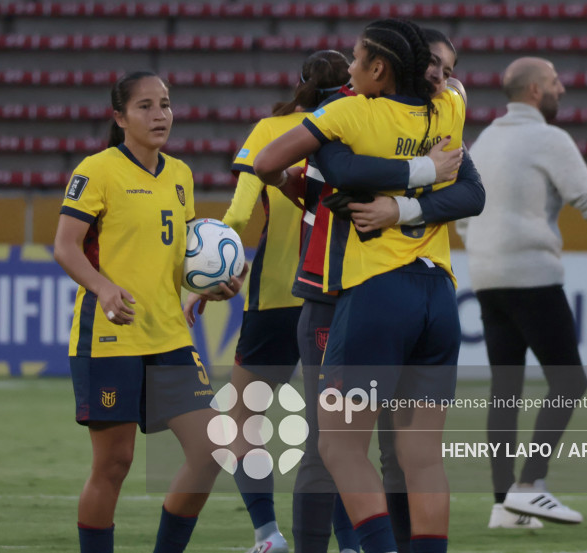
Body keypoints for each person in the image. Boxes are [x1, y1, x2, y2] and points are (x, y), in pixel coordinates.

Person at [254, 18, 468, 553]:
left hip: (376, 294)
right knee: (421, 457)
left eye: (355, 58)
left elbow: (266, 162)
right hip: (439, 297)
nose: (347, 68)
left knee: (339, 447)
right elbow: (468, 178)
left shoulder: (350, 112)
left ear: (378, 69)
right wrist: (422, 170)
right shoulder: (449, 109)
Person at [458, 57, 587, 526]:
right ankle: (530, 484)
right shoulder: (548, 138)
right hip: (532, 275)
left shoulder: (486, 138)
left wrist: (486, 250)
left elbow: (466, 213)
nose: (562, 89)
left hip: (486, 276)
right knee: (570, 380)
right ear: (534, 91)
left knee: (505, 390)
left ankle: (502, 506)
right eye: (554, 82)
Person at [53, 71, 245, 553]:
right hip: (110, 338)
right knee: (113, 465)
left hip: (170, 337)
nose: (160, 115)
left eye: (165, 104)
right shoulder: (97, 170)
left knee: (213, 450)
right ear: (119, 117)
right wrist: (103, 288)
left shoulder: (181, 176)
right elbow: (65, 247)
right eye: (145, 106)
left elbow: (176, 261)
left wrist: (209, 286)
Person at [185, 49, 353, 553]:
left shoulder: (269, 130)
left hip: (277, 297)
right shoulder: (355, 124)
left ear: (298, 82)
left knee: (239, 419)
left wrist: (209, 279)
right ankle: (350, 543)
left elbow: (237, 217)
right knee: (338, 434)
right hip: (336, 294)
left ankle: (268, 533)